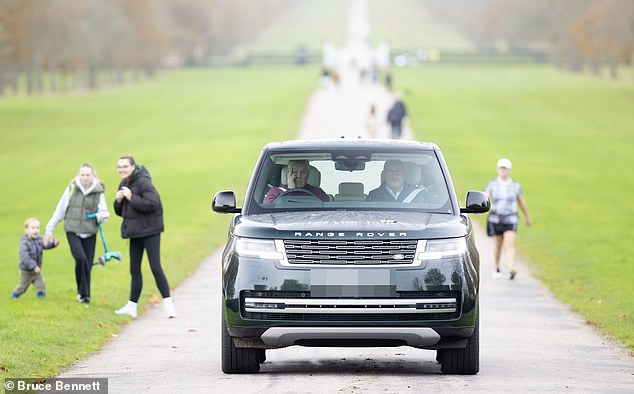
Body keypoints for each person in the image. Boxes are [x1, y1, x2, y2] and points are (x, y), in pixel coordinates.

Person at [113, 156, 176, 318]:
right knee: (134, 269)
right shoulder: (124, 183)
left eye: (125, 166)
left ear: (133, 166)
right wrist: (118, 201)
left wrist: (132, 197)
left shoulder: (143, 182)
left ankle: (169, 306)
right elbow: (122, 212)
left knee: (155, 267)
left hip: (150, 231)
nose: (122, 170)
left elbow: (152, 203)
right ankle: (131, 306)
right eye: (119, 167)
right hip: (135, 232)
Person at [44, 163, 110, 303]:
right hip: (72, 230)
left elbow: (103, 212)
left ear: (93, 175)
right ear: (78, 175)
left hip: (90, 232)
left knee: (88, 264)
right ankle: (84, 294)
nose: (85, 178)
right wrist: (49, 229)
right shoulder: (72, 188)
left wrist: (101, 217)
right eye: (82, 175)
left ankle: (83, 294)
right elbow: (60, 210)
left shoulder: (98, 191)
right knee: (81, 259)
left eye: (88, 175)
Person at [485, 158, 531, 280]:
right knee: (498, 245)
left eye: (505, 169)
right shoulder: (492, 184)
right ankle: (497, 267)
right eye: (501, 169)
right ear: (498, 170)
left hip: (511, 219)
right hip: (495, 219)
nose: (503, 171)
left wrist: (527, 217)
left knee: (510, 244)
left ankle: (511, 268)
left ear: (509, 170)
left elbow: (521, 202)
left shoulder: (515, 186)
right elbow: (486, 198)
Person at [12, 218, 58, 299]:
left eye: (37, 228)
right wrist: (33, 266)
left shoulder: (39, 239)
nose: (36, 230)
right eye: (33, 228)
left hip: (37, 270)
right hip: (26, 270)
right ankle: (15, 295)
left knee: (41, 285)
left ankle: (41, 297)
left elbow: (45, 245)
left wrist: (53, 244)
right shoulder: (24, 243)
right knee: (22, 287)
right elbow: (24, 257)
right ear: (26, 230)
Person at [263, 160, 330, 204]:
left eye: (303, 172)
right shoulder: (276, 191)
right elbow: (267, 208)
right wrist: (290, 190)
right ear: (288, 174)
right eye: (294, 172)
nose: (298, 176)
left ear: (308, 174)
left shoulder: (318, 193)